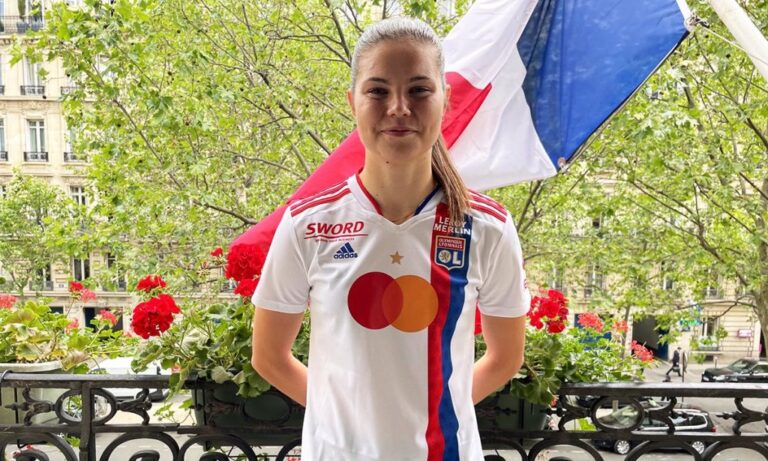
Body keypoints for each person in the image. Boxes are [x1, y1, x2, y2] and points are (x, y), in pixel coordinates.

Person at [250, 17, 529, 460]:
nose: (398, 107)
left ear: (445, 99)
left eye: (419, 90)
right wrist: (345, 423)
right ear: (353, 103)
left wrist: (434, 413)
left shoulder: (488, 228)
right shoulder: (307, 224)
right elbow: (268, 357)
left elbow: (506, 359)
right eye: (378, 91)